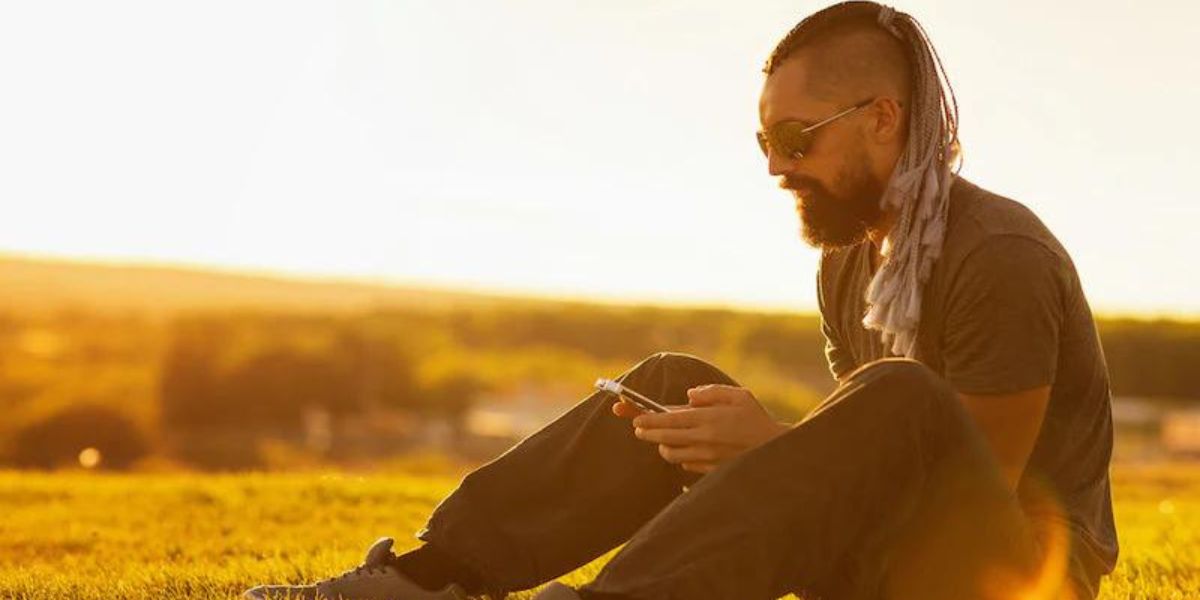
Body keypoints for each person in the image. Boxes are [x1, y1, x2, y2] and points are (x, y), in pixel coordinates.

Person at [244, 2, 1117, 599]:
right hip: (894, 564)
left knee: (903, 395)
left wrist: (770, 448)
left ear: (882, 118)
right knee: (671, 386)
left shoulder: (998, 255)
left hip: (1015, 576)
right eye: (764, 139)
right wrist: (755, 450)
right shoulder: (850, 263)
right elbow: (862, 476)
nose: (775, 165)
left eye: (795, 138)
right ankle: (430, 579)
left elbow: (974, 484)